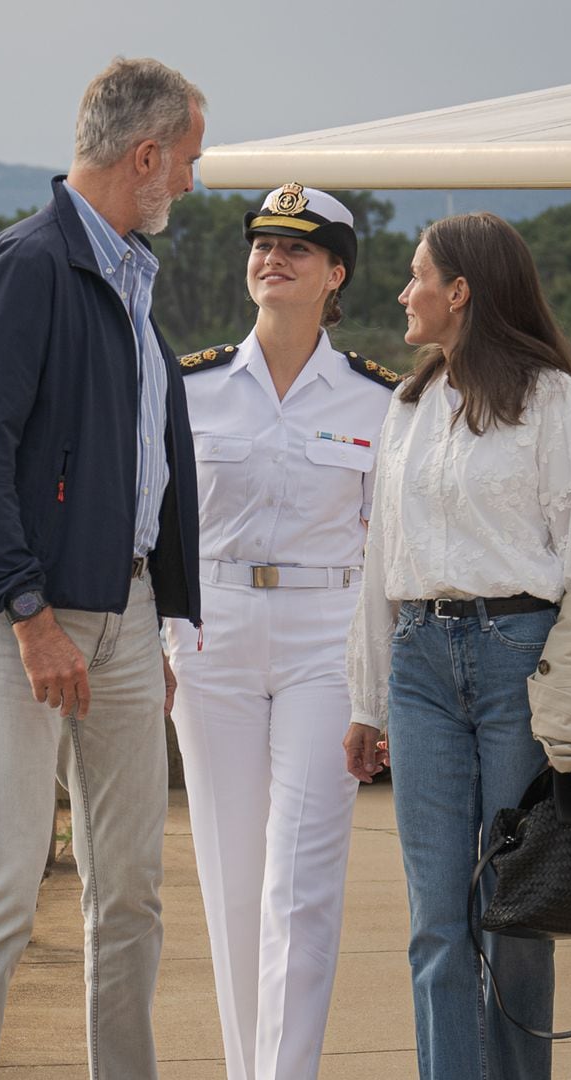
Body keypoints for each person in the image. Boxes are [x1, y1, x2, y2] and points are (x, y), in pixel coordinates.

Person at [0, 57, 206, 1080]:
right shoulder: (27, 266)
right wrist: (30, 616)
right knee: (0, 880)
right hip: (18, 613)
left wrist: (157, 619)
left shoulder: (131, 281)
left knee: (128, 887)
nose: (193, 182)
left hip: (125, 614)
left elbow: (142, 466)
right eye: (189, 161)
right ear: (146, 156)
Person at [346, 212, 571, 1080]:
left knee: (515, 913)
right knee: (437, 920)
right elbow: (378, 563)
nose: (404, 292)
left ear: (461, 291)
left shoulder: (550, 399)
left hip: (523, 661)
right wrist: (366, 701)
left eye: (417, 275)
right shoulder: (406, 404)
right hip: (420, 667)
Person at [166, 184, 394, 1080]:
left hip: (323, 639)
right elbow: (154, 529)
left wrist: (374, 686)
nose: (272, 257)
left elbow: (387, 556)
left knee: (300, 883)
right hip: (211, 634)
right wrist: (162, 646)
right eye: (261, 243)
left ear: (335, 274)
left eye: (297, 248)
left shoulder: (382, 400)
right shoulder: (191, 386)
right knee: (230, 883)